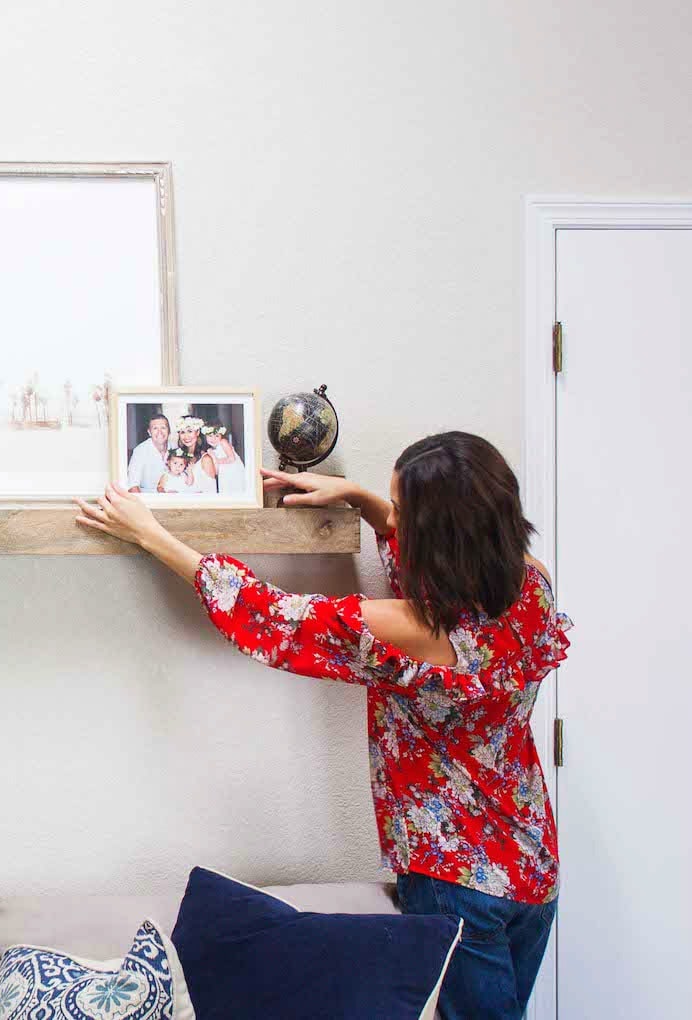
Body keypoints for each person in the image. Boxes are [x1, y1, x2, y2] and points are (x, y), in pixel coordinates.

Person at [74, 431, 571, 1020]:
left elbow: (269, 614)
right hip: (532, 867)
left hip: (458, 880)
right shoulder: (531, 583)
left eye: (403, 513)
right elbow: (446, 568)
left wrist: (149, 533)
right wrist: (361, 498)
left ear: (438, 536)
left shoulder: (415, 630)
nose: (394, 521)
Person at [126, 413, 171, 492]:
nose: (160, 432)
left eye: (163, 428)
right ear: (149, 432)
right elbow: (133, 486)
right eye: (155, 428)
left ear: (169, 431)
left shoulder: (175, 448)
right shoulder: (140, 451)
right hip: (148, 497)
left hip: (172, 496)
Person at [202, 422, 246, 494]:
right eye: (210, 436)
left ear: (221, 436)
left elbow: (232, 459)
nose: (213, 439)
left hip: (233, 470)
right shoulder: (212, 449)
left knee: (235, 489)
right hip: (224, 472)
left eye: (217, 436)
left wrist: (215, 459)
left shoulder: (223, 442)